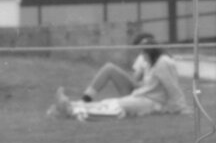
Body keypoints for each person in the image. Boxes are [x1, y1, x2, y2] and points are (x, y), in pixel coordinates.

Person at [48, 33, 190, 120]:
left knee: (114, 106)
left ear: (150, 52)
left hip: (149, 101)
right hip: (141, 97)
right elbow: (145, 82)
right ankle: (70, 105)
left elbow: (172, 87)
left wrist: (181, 108)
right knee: (110, 102)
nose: (142, 56)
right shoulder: (152, 62)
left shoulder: (163, 63)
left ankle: (72, 110)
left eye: (143, 53)